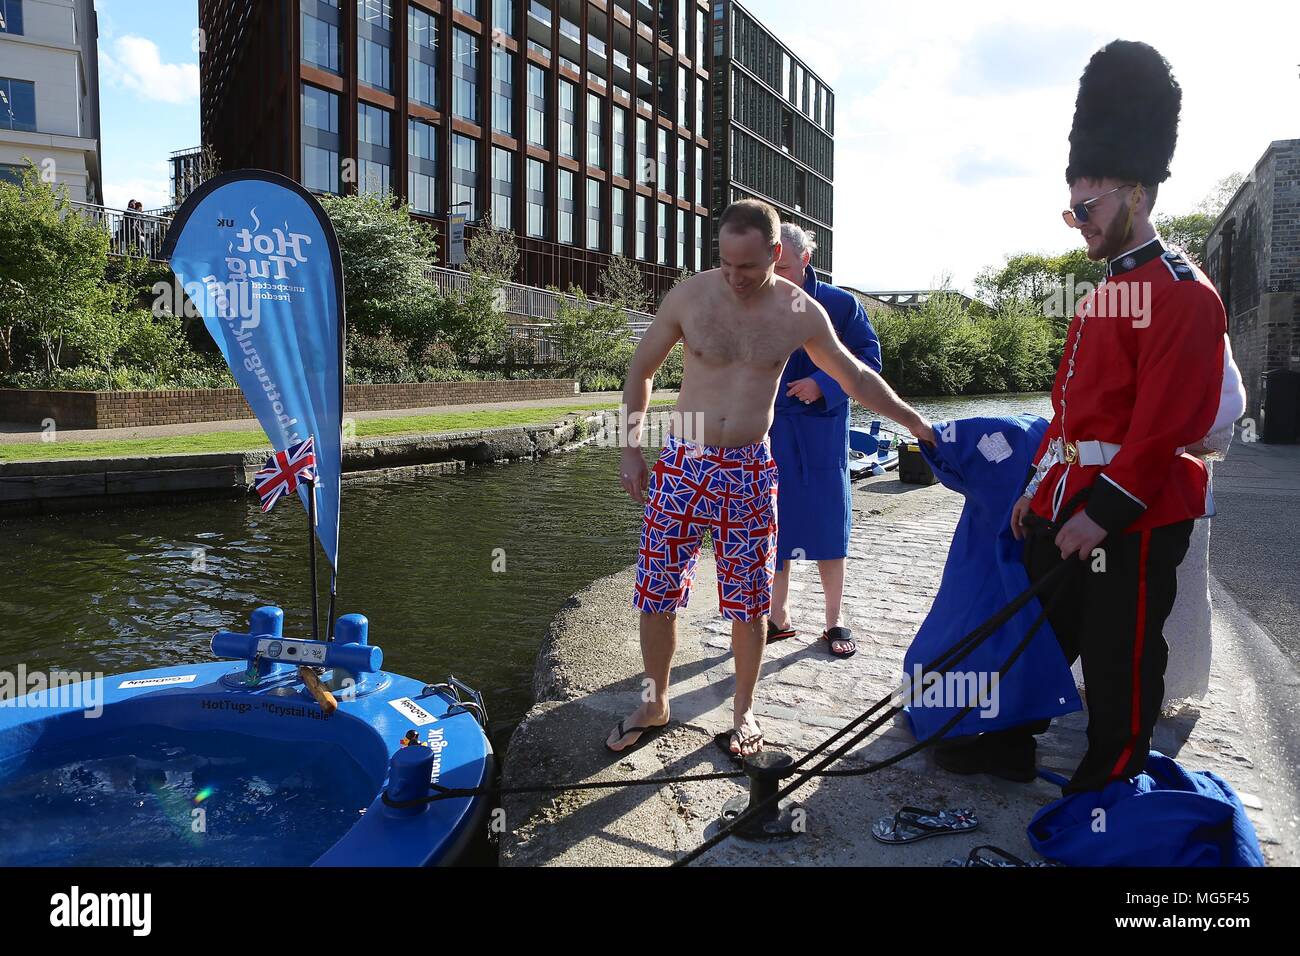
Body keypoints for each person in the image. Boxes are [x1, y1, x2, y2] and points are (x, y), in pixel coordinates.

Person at [937, 40, 1229, 793]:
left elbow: (1166, 427)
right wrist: (1038, 492)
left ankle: (1111, 774)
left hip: (1134, 513)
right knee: (1039, 635)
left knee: (1119, 654)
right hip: (1069, 499)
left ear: (1136, 192)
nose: (1079, 223)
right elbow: (1068, 413)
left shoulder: (1183, 293)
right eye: (1072, 209)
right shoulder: (1104, 290)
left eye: (1088, 207)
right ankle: (1010, 740)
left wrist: (1099, 515)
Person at [607, 198, 935, 758]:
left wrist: (917, 423)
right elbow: (642, 370)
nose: (736, 277)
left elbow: (855, 375)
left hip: (749, 469)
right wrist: (631, 450)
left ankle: (744, 712)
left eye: (750, 267)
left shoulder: (800, 312)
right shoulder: (690, 296)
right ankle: (656, 700)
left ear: (776, 254)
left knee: (749, 601)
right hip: (684, 461)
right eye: (727, 264)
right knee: (657, 591)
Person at [767, 223, 882, 657]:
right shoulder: (758, 301)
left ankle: (834, 620)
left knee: (829, 526)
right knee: (774, 526)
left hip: (822, 430)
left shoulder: (839, 304)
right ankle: (778, 618)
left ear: (805, 260)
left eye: (784, 267)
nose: (776, 276)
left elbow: (870, 360)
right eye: (771, 267)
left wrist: (823, 383)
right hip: (771, 429)